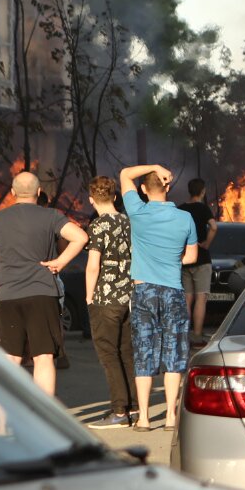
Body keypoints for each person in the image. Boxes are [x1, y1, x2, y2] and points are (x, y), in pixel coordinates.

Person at [0, 171, 88, 396]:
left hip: (7, 294)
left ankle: (3, 421)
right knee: (44, 357)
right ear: (39, 193)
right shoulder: (50, 216)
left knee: (9, 358)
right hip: (42, 293)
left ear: (12, 192)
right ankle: (44, 418)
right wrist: (60, 262)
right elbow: (81, 237)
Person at [119, 163, 199, 430]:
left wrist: (154, 166)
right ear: (167, 186)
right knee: (174, 354)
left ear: (143, 189)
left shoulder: (137, 211)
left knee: (144, 351)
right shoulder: (185, 218)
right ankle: (171, 416)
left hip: (144, 291)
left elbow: (124, 174)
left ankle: (143, 417)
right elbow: (192, 257)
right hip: (174, 291)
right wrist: (171, 261)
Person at [84, 175, 138, 427]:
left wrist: (88, 296)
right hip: (128, 296)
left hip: (105, 298)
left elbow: (93, 265)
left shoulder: (96, 226)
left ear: (91, 200)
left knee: (108, 354)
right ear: (115, 197)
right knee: (127, 353)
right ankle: (135, 406)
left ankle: (119, 410)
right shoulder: (129, 222)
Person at [176, 178, 219, 341]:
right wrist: (206, 243)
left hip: (185, 258)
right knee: (201, 297)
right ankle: (198, 334)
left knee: (187, 298)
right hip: (201, 258)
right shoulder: (204, 209)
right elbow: (214, 227)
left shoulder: (181, 210)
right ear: (202, 191)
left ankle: (184, 335)